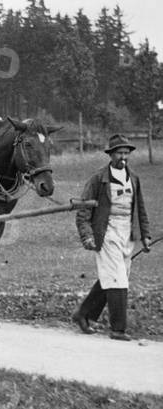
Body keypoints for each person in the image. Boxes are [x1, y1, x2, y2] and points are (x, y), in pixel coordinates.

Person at [73, 134, 152, 341]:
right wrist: (87, 236)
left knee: (115, 275)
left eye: (126, 153)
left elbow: (140, 208)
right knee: (117, 278)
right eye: (119, 153)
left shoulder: (133, 178)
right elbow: (83, 211)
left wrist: (145, 235)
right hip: (106, 231)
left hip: (127, 232)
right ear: (111, 155)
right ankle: (118, 329)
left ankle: (83, 314)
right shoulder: (98, 179)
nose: (123, 157)